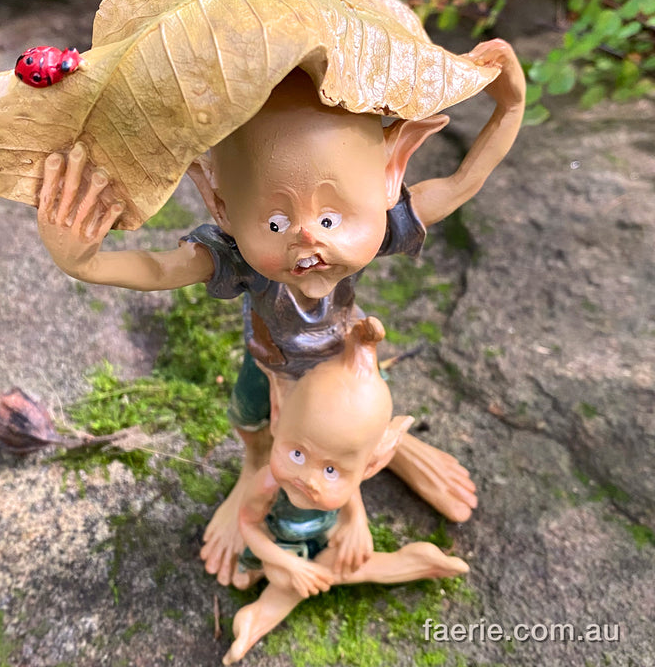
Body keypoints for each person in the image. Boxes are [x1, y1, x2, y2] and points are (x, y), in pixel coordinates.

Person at [36, 38, 525, 585]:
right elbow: (159, 270)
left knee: (354, 429)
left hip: (346, 365)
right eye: (274, 224)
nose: (306, 241)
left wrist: (509, 107)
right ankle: (254, 472)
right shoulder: (238, 257)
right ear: (219, 203)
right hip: (270, 362)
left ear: (392, 172)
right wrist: (85, 262)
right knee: (250, 419)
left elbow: (461, 184)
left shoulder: (385, 218)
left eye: (332, 219)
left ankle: (381, 456)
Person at [221, 316, 468, 664]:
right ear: (278, 416)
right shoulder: (270, 481)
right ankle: (397, 567)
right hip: (284, 543)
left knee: (352, 553)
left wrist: (357, 524)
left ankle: (265, 612)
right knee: (282, 574)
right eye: (296, 453)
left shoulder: (347, 480)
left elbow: (351, 492)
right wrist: (288, 565)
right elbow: (248, 525)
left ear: (372, 466)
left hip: (325, 533)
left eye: (332, 470)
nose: (309, 479)